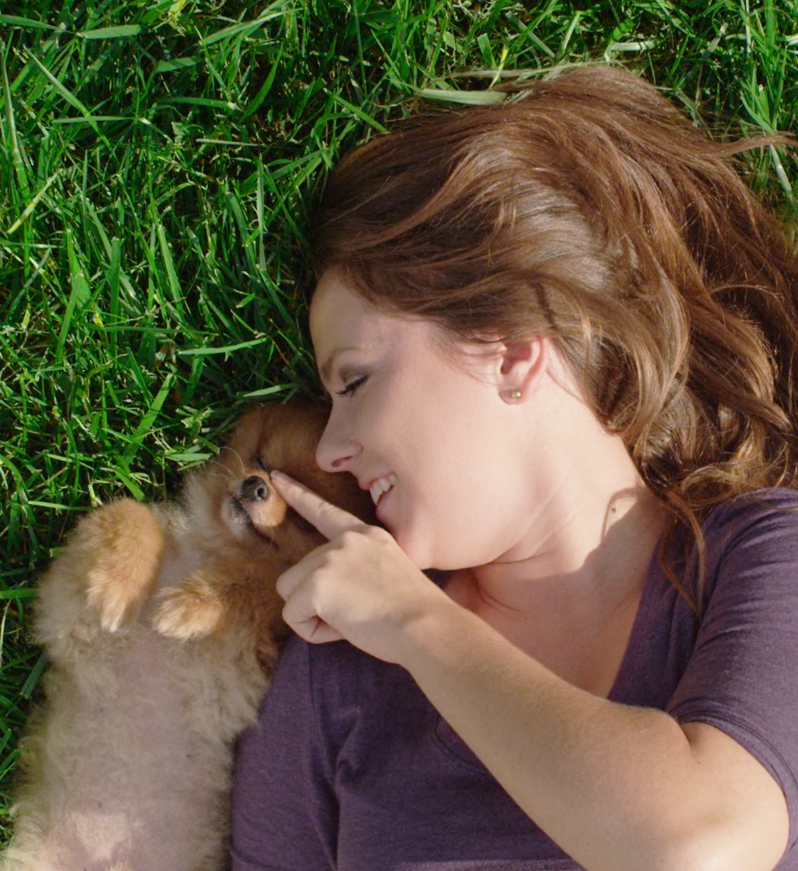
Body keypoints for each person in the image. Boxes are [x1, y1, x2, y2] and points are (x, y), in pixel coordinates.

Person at [229, 65, 798, 870]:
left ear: (512, 348)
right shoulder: (339, 675)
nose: (328, 448)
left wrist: (416, 625)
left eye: (354, 381)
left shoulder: (758, 557)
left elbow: (699, 844)